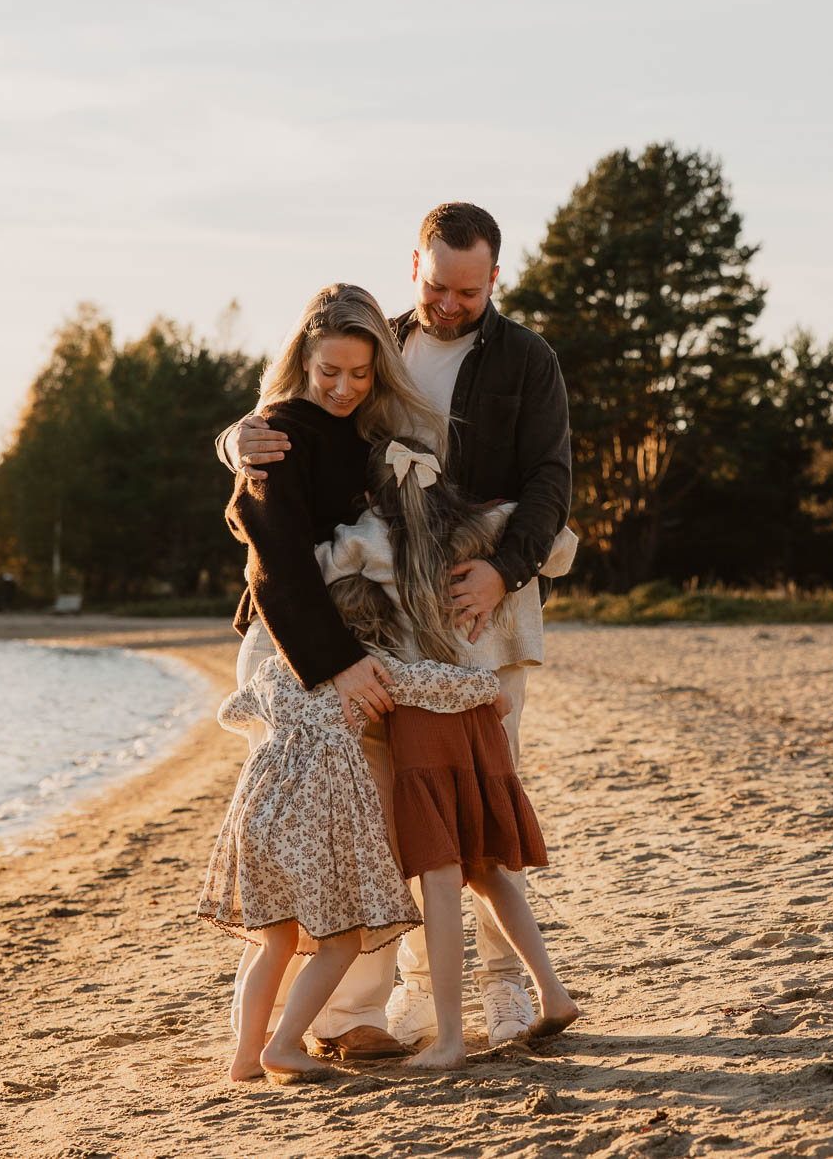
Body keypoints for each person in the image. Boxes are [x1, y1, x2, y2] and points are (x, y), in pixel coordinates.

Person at [220, 203, 572, 1049]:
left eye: (470, 288)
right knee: (374, 805)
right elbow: (296, 438)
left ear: (496, 277)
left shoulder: (527, 360)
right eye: (438, 284)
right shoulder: (377, 341)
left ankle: (505, 994)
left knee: (479, 805)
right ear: (414, 264)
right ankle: (361, 1011)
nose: (451, 302)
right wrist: (234, 440)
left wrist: (503, 566)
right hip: (376, 617)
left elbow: (552, 478)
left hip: (479, 603)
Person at [219, 281, 449, 1060]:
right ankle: (285, 1031)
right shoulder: (279, 431)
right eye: (329, 373)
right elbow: (273, 566)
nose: (345, 387)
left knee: (361, 828)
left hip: (355, 647)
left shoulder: (366, 436)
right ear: (302, 361)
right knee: (297, 835)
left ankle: (342, 1017)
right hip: (294, 654)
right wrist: (339, 666)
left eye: (360, 373)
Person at [320, 436, 579, 1068]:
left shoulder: (367, 537)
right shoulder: (481, 527)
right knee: (487, 866)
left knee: (437, 879)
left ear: (371, 491)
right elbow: (562, 547)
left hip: (424, 722)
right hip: (480, 717)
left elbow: (315, 568)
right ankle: (552, 991)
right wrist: (500, 522)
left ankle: (451, 1040)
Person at [199, 575, 507, 1083]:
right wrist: (491, 689)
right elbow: (439, 684)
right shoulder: (369, 673)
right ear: (374, 631)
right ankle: (282, 1048)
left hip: (258, 820)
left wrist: (280, 723)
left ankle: (246, 1057)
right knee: (339, 942)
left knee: (275, 944)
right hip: (316, 828)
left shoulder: (274, 671)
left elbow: (229, 711)